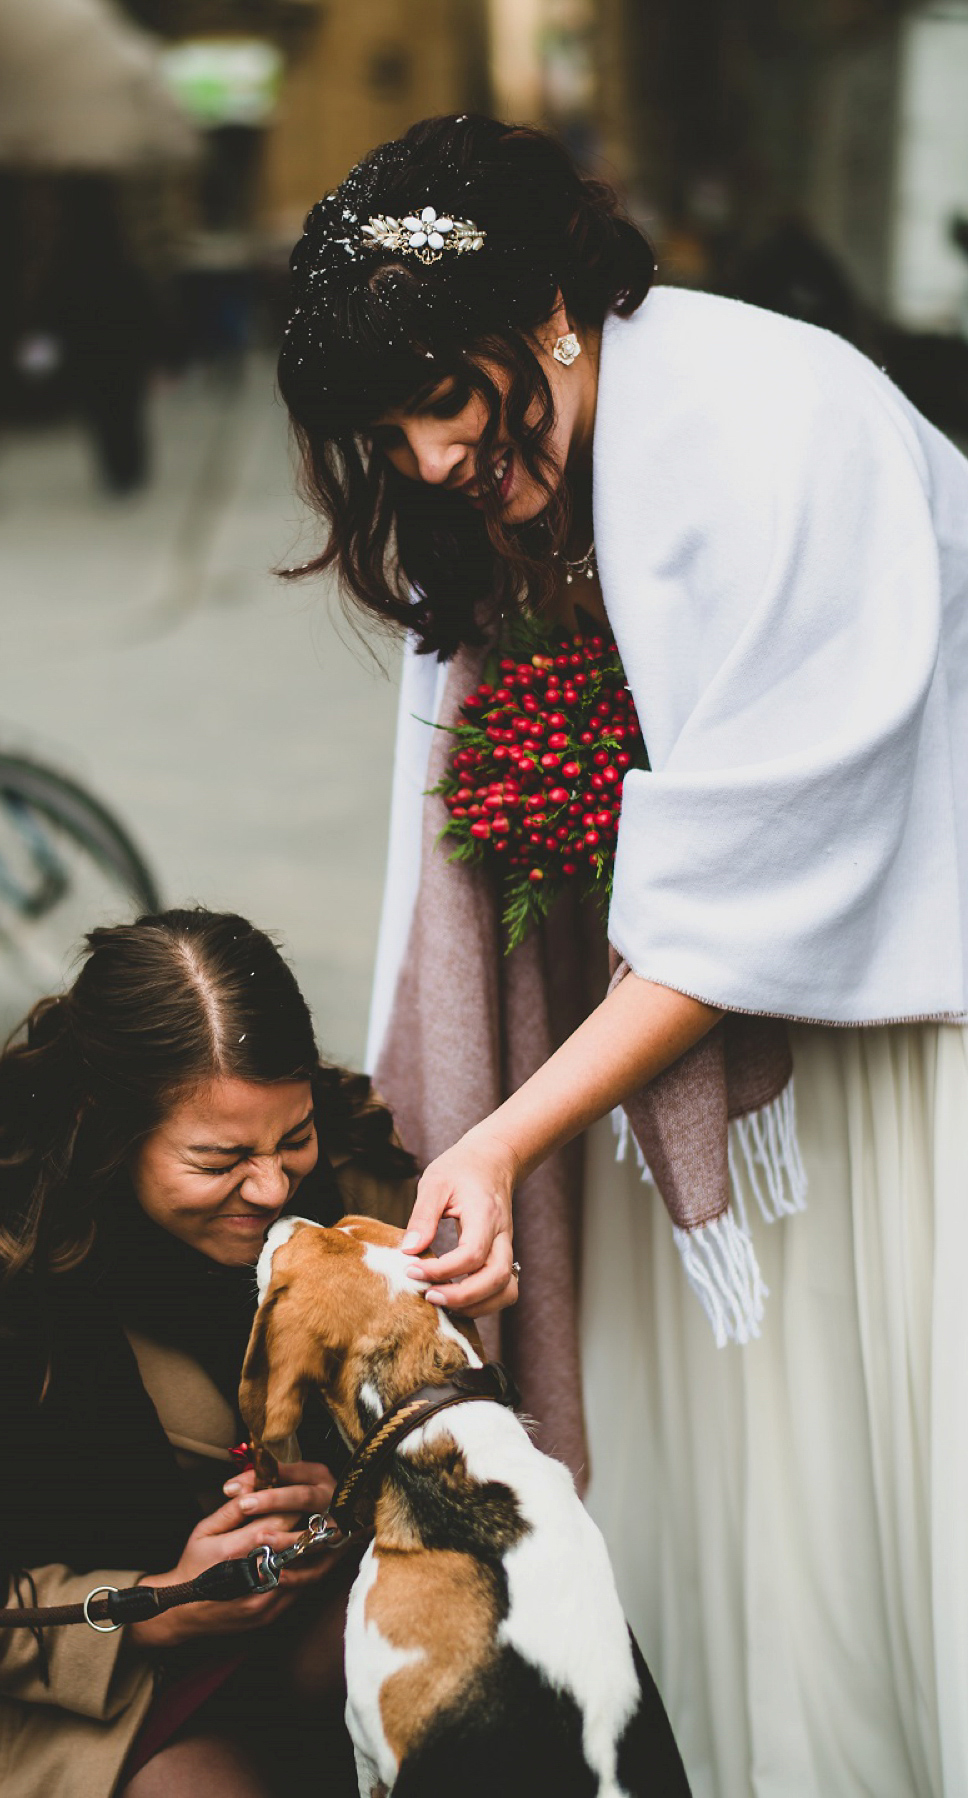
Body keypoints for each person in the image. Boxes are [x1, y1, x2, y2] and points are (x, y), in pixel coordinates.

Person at [277, 115, 968, 1798]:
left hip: (875, 1045)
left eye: (449, 394)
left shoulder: (779, 426)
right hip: (656, 1061)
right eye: (392, 427)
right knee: (729, 1488)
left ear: (559, 308)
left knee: (865, 1474)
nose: (432, 456)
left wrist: (503, 1134)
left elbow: (760, 881)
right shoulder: (521, 483)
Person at [0, 908, 417, 1798]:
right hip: (84, 1680)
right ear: (108, 1131)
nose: (274, 1189)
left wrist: (349, 1503)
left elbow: (460, 1447)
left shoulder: (354, 1175)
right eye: (220, 1158)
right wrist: (156, 1606)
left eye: (290, 1138)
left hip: (313, 1619)